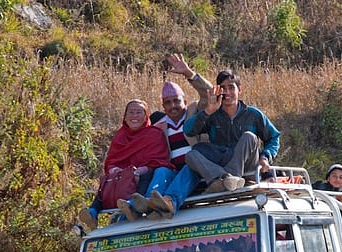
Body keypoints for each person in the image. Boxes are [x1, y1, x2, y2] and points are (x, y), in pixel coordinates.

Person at [146, 69, 281, 219]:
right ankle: (222, 179)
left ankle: (231, 178)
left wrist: (266, 156)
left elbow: (274, 137)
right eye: (223, 89)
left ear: (239, 90)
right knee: (191, 155)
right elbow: (189, 130)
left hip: (246, 166)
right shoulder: (213, 113)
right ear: (218, 91)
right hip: (221, 163)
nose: (227, 93)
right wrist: (208, 111)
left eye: (231, 87)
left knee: (249, 137)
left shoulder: (253, 114)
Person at [122, 54, 213, 219]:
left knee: (190, 166)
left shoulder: (195, 112)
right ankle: (149, 205)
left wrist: (189, 73)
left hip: (197, 169)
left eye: (177, 101)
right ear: (163, 106)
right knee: (162, 170)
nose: (173, 106)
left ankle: (170, 203)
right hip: (173, 172)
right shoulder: (159, 126)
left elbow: (211, 94)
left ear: (184, 101)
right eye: (168, 102)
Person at [79, 99, 173, 231]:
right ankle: (92, 213)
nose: (134, 116)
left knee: (147, 176)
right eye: (131, 112)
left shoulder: (154, 134)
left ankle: (132, 205)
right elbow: (111, 161)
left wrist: (139, 171)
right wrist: (114, 170)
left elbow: (159, 159)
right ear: (125, 116)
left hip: (143, 175)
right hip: (122, 177)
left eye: (139, 112)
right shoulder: (120, 135)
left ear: (146, 116)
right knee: (107, 183)